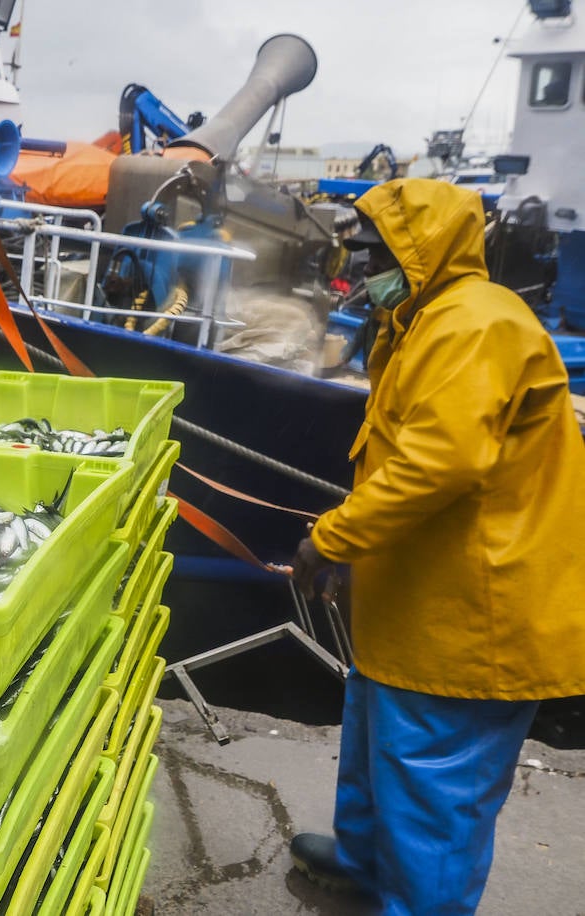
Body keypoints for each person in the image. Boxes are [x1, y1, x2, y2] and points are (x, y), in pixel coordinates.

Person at [288, 178, 585, 914]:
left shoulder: (473, 324)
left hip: (473, 611)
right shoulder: (421, 318)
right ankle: (364, 859)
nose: (363, 267)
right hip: (419, 593)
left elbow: (441, 463)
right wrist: (357, 549)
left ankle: (421, 902)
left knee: (433, 778)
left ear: (420, 253)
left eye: (375, 253)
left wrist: (334, 538)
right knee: (377, 740)